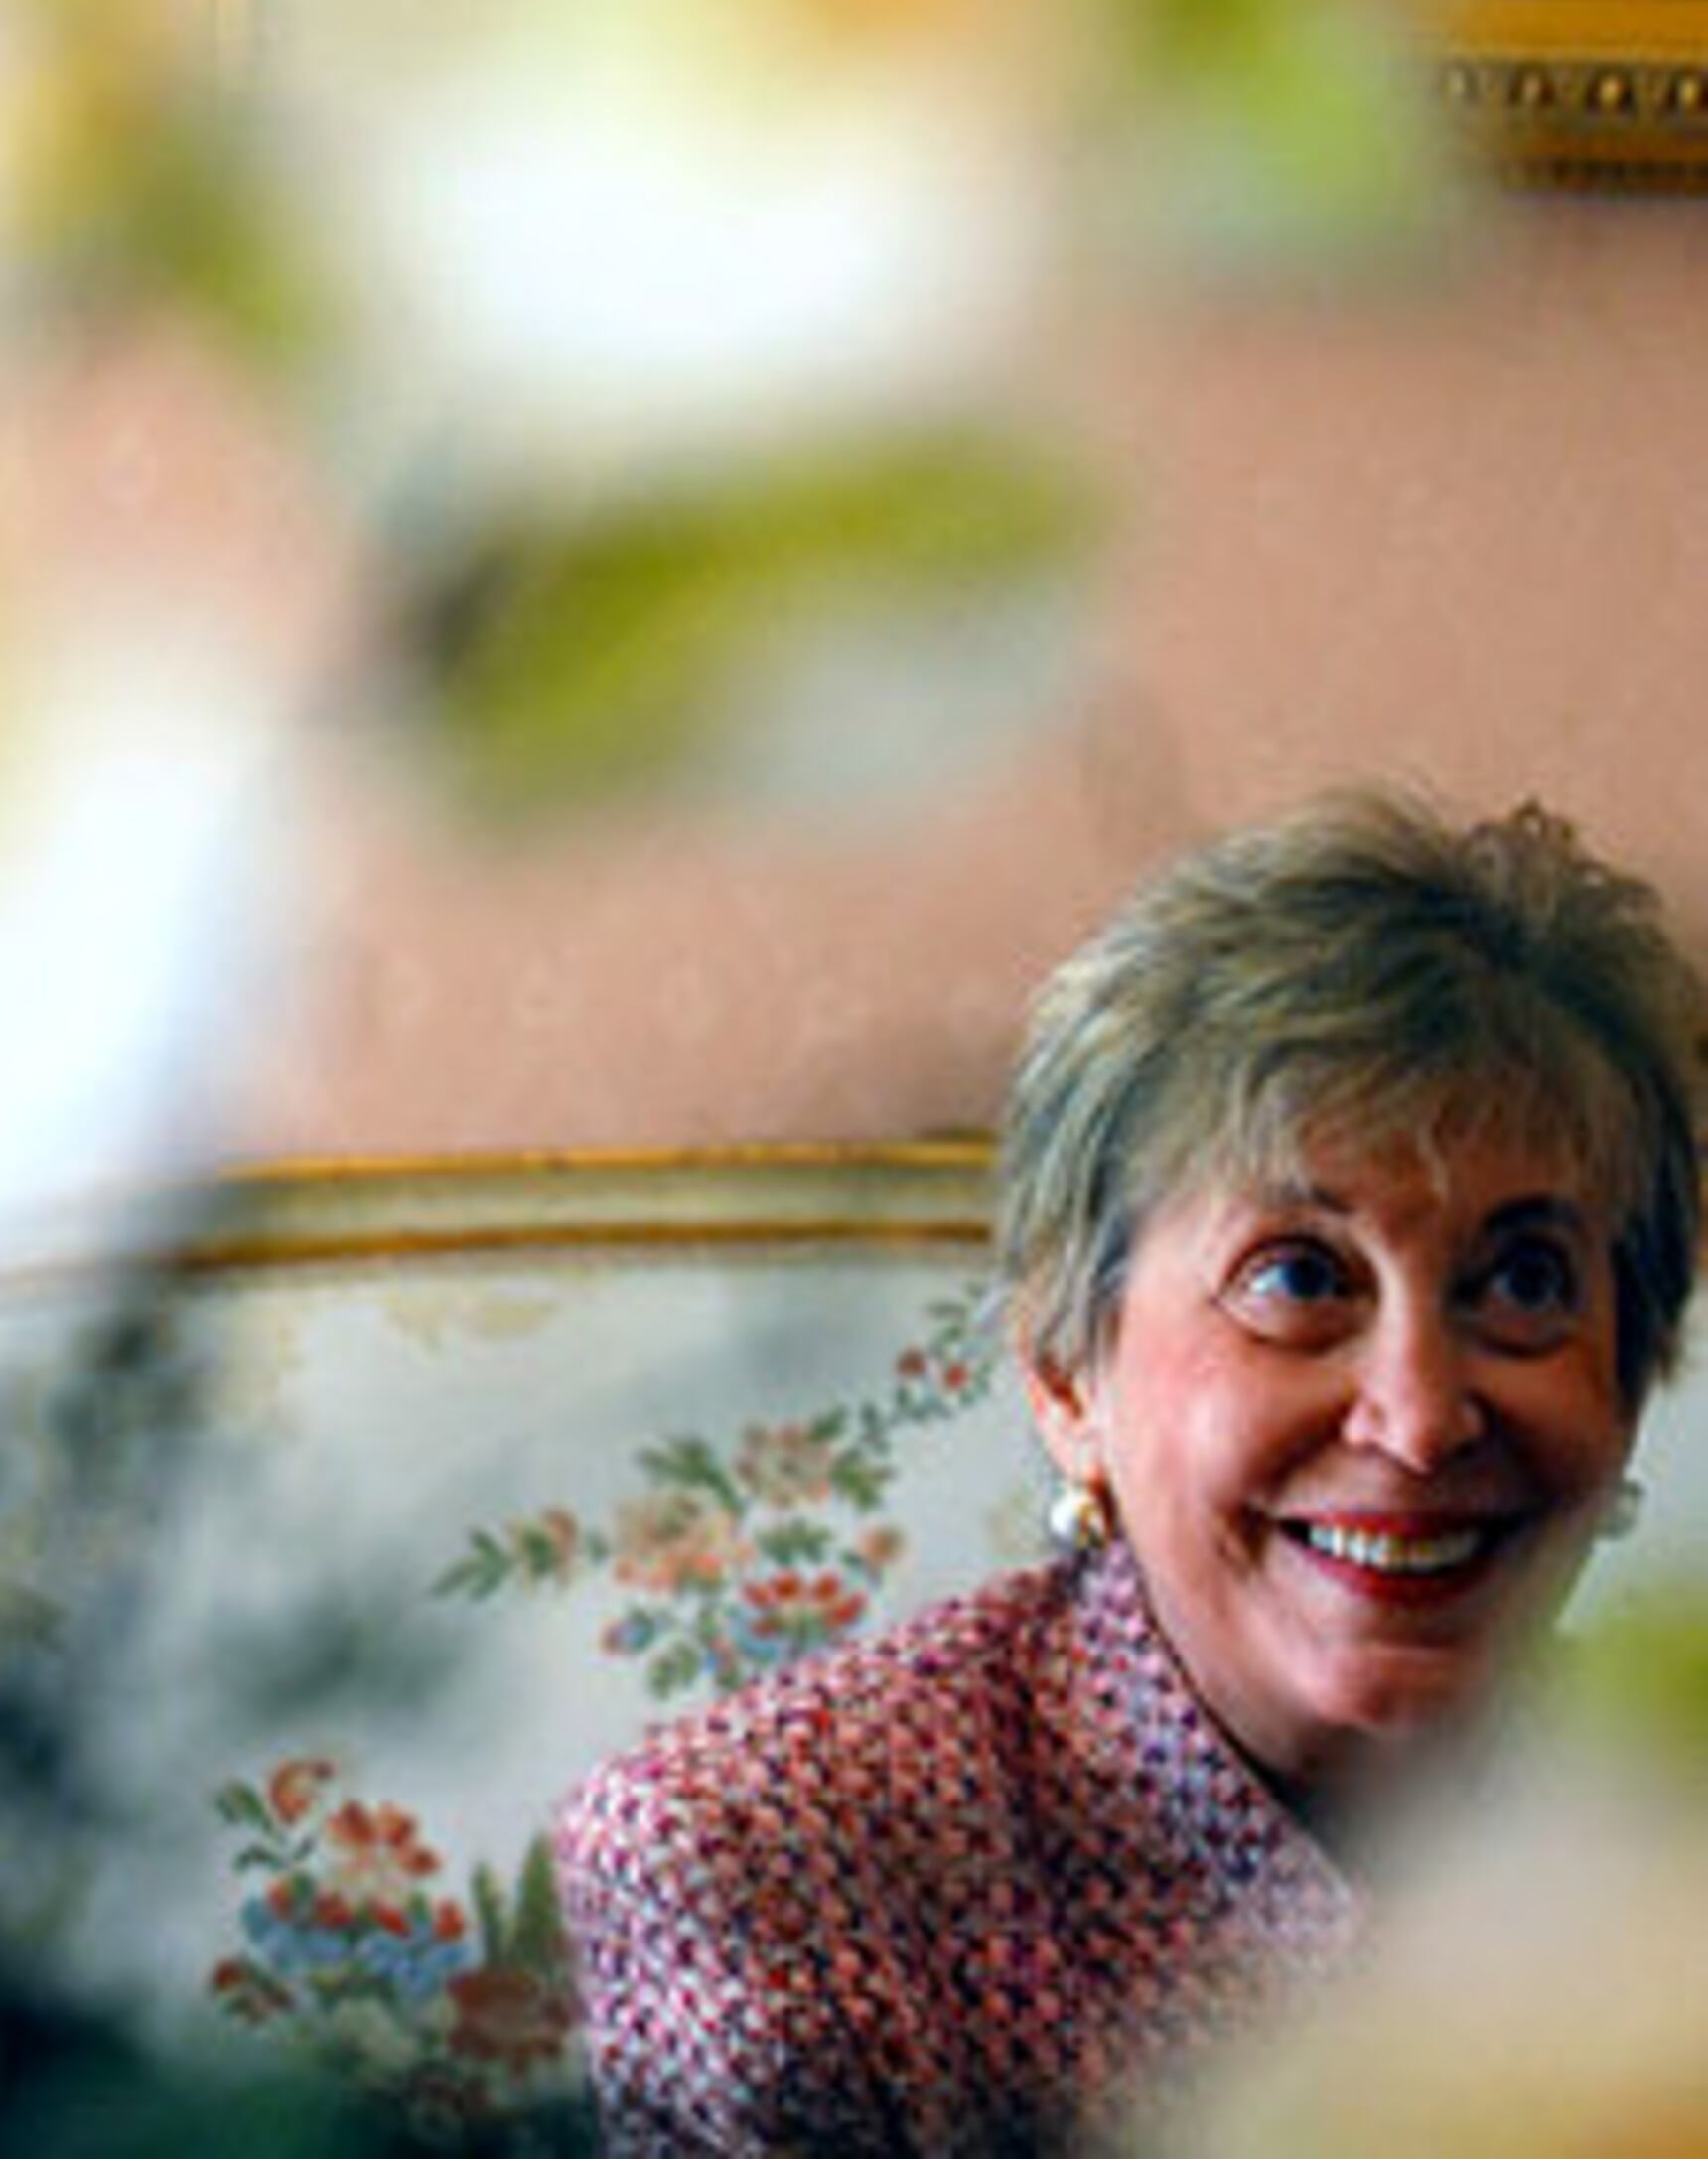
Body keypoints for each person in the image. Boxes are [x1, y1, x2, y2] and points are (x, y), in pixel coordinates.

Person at [551, 791, 1703, 2153]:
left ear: (1628, 1374)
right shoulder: (766, 1864)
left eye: (1522, 1278)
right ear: (1062, 1370)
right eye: (1299, 1276)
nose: (1419, 1416)